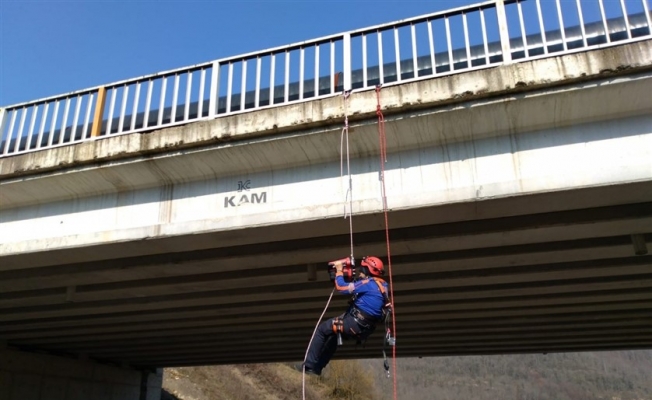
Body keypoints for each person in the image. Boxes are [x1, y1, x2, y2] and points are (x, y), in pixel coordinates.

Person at [296, 256, 390, 376]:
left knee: (322, 329)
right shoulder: (382, 285)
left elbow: (341, 287)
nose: (360, 271)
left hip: (353, 323)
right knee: (333, 337)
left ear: (367, 270)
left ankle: (309, 365)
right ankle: (317, 367)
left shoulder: (368, 284)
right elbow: (358, 288)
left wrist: (339, 271)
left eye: (362, 269)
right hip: (363, 328)